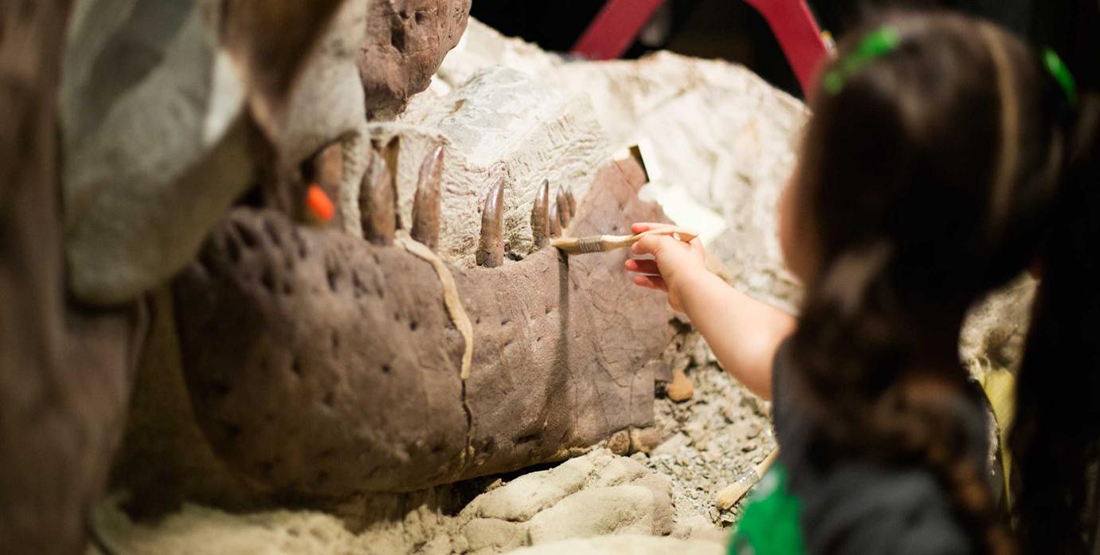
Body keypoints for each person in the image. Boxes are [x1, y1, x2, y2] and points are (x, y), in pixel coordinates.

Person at [626, 11, 1093, 554]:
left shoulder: (901, 519)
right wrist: (689, 279)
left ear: (846, 216)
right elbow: (768, 349)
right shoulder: (890, 388)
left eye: (803, 156)